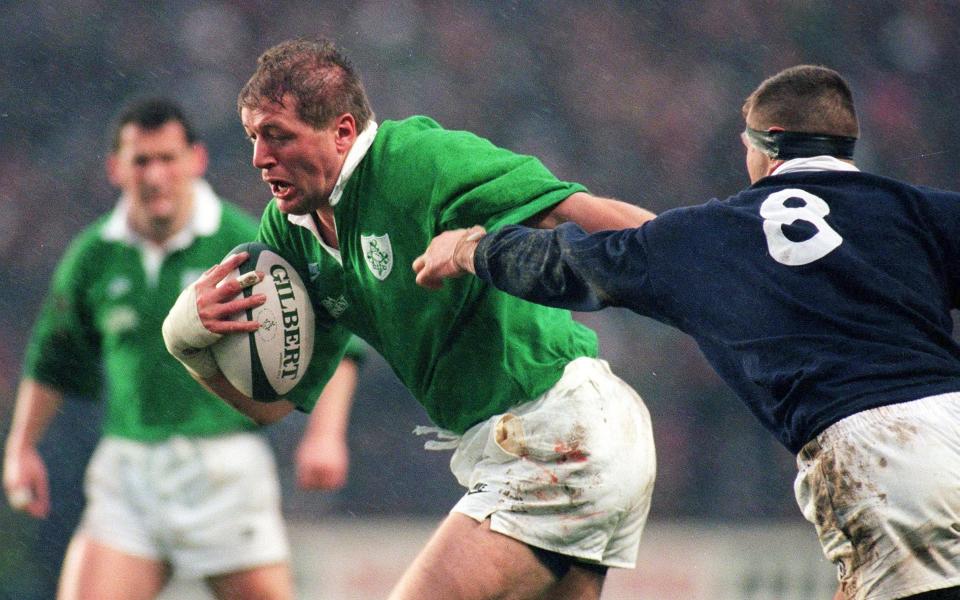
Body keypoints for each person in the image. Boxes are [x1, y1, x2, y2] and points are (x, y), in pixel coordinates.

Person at [414, 64, 960, 600]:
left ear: (766, 146)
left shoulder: (714, 233)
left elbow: (571, 265)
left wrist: (469, 249)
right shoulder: (921, 211)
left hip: (877, 456)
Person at [161, 38, 657, 600]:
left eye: (278, 135)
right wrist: (188, 345)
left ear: (343, 131)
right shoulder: (288, 235)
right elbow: (275, 404)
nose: (259, 158)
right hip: (528, 444)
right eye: (253, 136)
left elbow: (579, 211)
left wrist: (698, 263)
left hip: (563, 430)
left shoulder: (419, 161)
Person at [2, 97, 361, 600]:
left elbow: (338, 332)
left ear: (196, 160)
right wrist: (21, 447)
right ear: (115, 168)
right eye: (140, 160)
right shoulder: (93, 256)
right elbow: (53, 358)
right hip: (129, 473)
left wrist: (326, 435)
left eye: (167, 159)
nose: (155, 176)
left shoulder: (246, 241)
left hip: (225, 471)